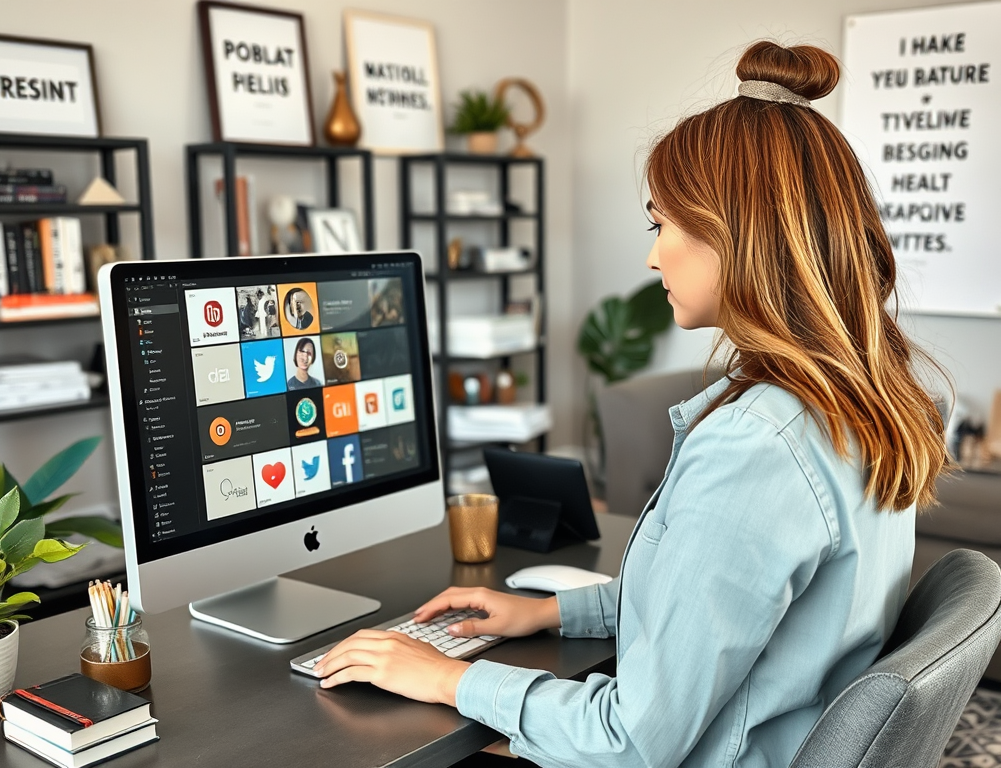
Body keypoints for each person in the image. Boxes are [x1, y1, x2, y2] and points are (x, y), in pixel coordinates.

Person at [313, 41, 950, 767]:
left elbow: (631, 741)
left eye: (662, 224)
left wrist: (448, 677)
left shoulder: (757, 447)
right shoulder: (859, 404)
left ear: (736, 233)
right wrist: (554, 612)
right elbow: (722, 613)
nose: (653, 258)